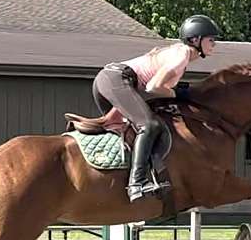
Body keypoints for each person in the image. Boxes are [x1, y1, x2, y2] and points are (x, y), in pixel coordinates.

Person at [93, 14, 220, 202]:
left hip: (112, 82)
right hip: (116, 80)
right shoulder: (182, 54)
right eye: (211, 40)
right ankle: (136, 183)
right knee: (150, 126)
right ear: (195, 40)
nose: (214, 44)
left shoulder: (179, 54)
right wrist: (178, 94)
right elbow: (153, 87)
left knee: (137, 131)